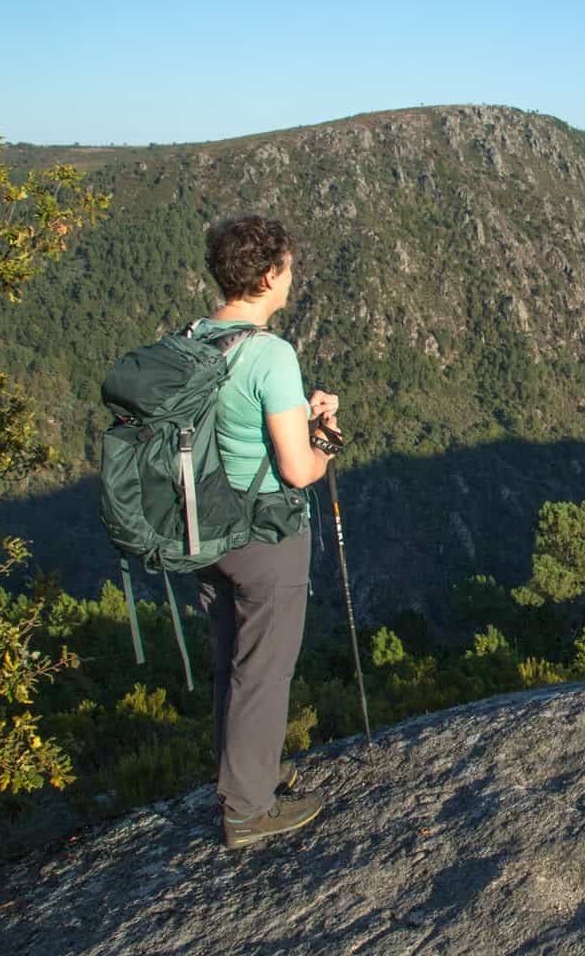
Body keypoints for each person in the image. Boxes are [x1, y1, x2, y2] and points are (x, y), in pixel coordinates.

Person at [194, 215, 339, 849]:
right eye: (287, 265)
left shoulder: (195, 338)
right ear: (267, 275)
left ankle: (244, 773)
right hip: (264, 536)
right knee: (266, 668)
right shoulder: (270, 354)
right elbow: (299, 469)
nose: (292, 276)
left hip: (207, 530)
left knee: (233, 661)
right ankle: (248, 812)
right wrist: (326, 430)